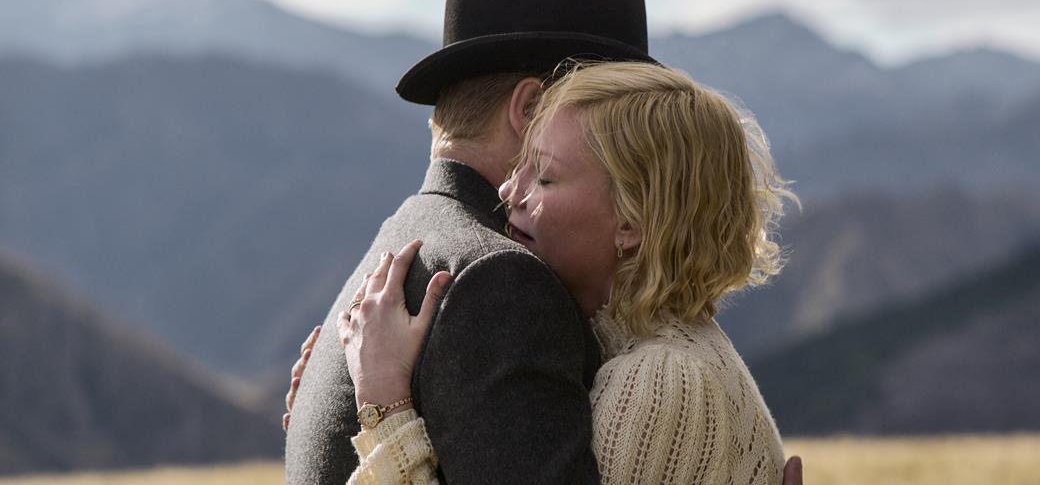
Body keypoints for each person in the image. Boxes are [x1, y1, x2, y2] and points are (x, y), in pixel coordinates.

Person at [291, 61, 805, 483]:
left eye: (544, 176)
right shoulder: (645, 352)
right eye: (521, 167)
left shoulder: (659, 381)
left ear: (632, 221)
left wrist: (384, 407)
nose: (508, 193)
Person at [283, 0, 657, 483]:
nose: (640, 143)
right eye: (614, 110)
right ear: (531, 110)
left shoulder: (395, 251)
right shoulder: (498, 284)